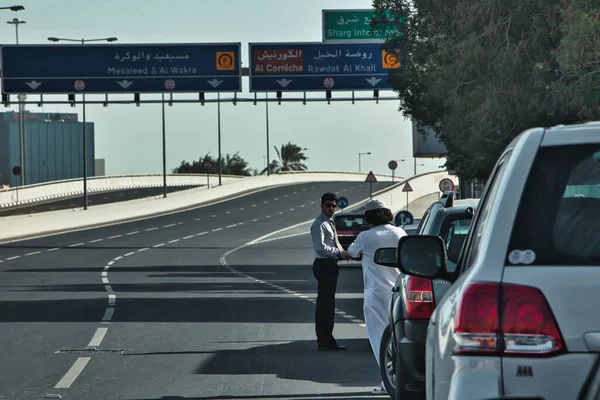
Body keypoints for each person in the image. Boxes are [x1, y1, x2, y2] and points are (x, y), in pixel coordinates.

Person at [347, 199, 406, 394]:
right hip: (399, 294)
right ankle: (401, 380)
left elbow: (351, 252)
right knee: (399, 340)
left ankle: (387, 381)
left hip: (376, 296)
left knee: (380, 341)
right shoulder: (400, 233)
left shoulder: (366, 236)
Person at [310, 192, 350, 351]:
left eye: (334, 205)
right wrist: (340, 253)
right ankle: (324, 339)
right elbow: (320, 248)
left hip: (330, 264)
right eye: (328, 205)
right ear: (321, 206)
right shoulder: (319, 224)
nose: (331, 208)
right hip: (324, 264)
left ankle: (326, 338)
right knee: (325, 304)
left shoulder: (330, 222)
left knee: (327, 303)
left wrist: (344, 253)